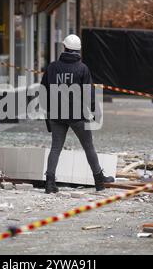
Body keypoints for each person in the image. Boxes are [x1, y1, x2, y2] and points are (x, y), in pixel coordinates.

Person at [40, 34, 114, 194]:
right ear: (78, 50)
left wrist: (47, 113)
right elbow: (89, 93)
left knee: (55, 148)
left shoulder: (52, 67)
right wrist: (95, 112)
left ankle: (49, 183)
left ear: (64, 47)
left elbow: (43, 91)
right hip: (77, 115)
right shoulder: (82, 68)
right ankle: (99, 181)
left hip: (56, 114)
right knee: (88, 147)